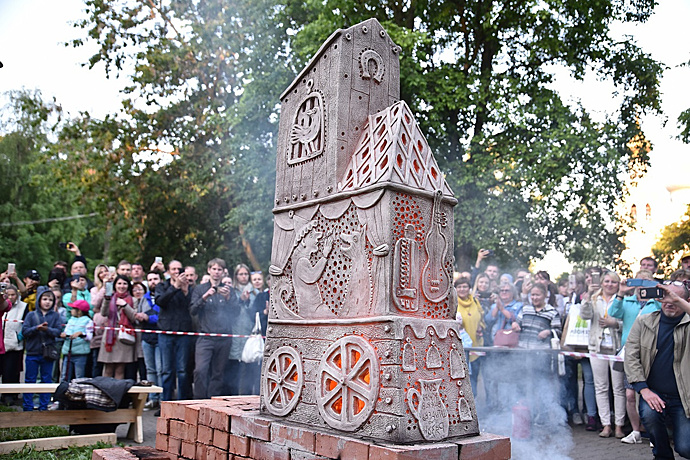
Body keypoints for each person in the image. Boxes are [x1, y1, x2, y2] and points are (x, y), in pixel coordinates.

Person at [625, 281, 690, 459]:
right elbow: (631, 356)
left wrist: (677, 299)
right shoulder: (644, 321)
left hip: (684, 398)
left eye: (674, 298)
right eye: (664, 296)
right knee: (650, 416)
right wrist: (644, 389)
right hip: (653, 393)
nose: (668, 302)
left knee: (685, 448)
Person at [609, 269, 662, 444]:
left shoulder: (657, 303)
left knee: (650, 393)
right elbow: (613, 313)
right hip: (630, 354)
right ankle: (636, 431)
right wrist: (621, 292)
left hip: (652, 353)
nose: (641, 287)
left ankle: (655, 433)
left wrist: (658, 292)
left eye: (645, 283)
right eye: (638, 282)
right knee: (630, 395)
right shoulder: (628, 301)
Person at [580, 270, 626, 438]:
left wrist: (615, 323)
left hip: (616, 347)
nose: (609, 284)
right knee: (601, 387)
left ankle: (619, 425)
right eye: (606, 281)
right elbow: (584, 315)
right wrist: (588, 295)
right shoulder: (594, 298)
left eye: (613, 282)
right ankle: (606, 424)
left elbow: (627, 321)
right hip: (597, 347)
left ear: (618, 284)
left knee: (619, 388)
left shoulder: (623, 298)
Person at [190, 258, 236, 399]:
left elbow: (236, 313)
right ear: (209, 270)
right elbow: (192, 310)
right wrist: (205, 297)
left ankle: (213, 402)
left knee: (218, 373)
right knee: (200, 370)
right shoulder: (199, 289)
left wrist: (228, 299)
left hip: (224, 338)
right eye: (214, 269)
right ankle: (199, 401)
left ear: (223, 272)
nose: (216, 272)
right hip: (205, 337)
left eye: (219, 269)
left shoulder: (229, 290)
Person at [155, 260, 194, 401]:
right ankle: (165, 403)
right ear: (169, 270)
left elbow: (191, 307)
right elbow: (160, 302)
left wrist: (185, 291)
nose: (176, 271)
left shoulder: (189, 287)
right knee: (166, 371)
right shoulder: (162, 286)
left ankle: (182, 403)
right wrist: (175, 287)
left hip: (183, 333)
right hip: (166, 332)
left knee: (183, 371)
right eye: (173, 269)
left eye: (179, 268)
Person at [21, 286, 62, 411]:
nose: (47, 302)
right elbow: (25, 331)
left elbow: (58, 332)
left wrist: (47, 329)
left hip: (47, 353)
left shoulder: (55, 316)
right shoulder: (31, 315)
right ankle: (27, 406)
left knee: (46, 379)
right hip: (32, 352)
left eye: (50, 300)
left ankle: (43, 407)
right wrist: (36, 328)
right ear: (39, 300)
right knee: (30, 380)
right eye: (44, 299)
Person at [98, 275, 137, 379]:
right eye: (119, 283)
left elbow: (134, 317)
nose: (122, 286)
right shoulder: (110, 298)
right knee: (108, 369)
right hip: (110, 338)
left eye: (124, 283)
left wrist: (125, 305)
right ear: (115, 285)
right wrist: (107, 299)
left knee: (120, 369)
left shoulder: (133, 299)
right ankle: (105, 392)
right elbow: (103, 313)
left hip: (124, 337)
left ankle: (117, 393)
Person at [454, 277, 484, 395]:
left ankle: (476, 410)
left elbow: (481, 318)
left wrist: (480, 327)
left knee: (474, 382)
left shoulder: (475, 302)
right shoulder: (453, 302)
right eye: (459, 287)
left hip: (475, 349)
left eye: (465, 286)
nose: (462, 289)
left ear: (469, 288)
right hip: (460, 350)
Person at [2, 285, 28, 405]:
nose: (11, 297)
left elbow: (26, 323)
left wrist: (19, 337)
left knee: (10, 371)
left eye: (13, 295)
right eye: (9, 294)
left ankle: (9, 396)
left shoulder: (23, 306)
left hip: (14, 344)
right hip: (2, 343)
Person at [59, 300, 93, 381]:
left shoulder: (88, 321)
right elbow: (66, 331)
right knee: (65, 375)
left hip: (80, 354)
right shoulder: (71, 320)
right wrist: (64, 335)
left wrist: (81, 334)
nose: (71, 310)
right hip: (68, 352)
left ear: (79, 311)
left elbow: (89, 336)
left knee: (79, 376)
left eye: (73, 308)